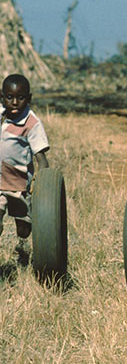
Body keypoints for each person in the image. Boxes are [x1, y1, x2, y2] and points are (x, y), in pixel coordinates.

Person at [0, 74, 49, 266]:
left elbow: (41, 157)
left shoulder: (31, 123)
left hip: (19, 184)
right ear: (2, 97)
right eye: (9, 97)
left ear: (29, 98)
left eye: (20, 98)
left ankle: (22, 245)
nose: (14, 102)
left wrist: (43, 183)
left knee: (23, 228)